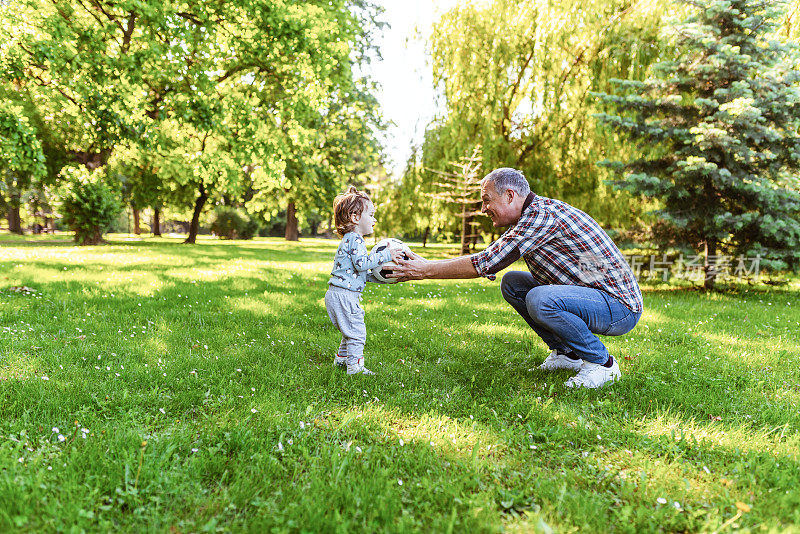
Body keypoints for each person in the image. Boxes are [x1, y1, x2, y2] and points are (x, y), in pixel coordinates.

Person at [392, 168, 642, 388]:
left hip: (619, 307)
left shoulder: (541, 217)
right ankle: (567, 355)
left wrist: (425, 269)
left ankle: (602, 364)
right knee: (513, 283)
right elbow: (493, 260)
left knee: (540, 299)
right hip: (592, 297)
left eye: (487, 200)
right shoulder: (527, 218)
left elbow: (484, 262)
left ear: (510, 195)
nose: (483, 209)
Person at [326, 186, 403, 375]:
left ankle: (342, 360)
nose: (374, 219)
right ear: (355, 217)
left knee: (349, 331)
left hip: (337, 295)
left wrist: (382, 278)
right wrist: (386, 255)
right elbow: (362, 264)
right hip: (345, 297)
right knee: (357, 333)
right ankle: (355, 368)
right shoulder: (356, 239)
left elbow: (357, 273)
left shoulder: (350, 239)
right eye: (371, 214)